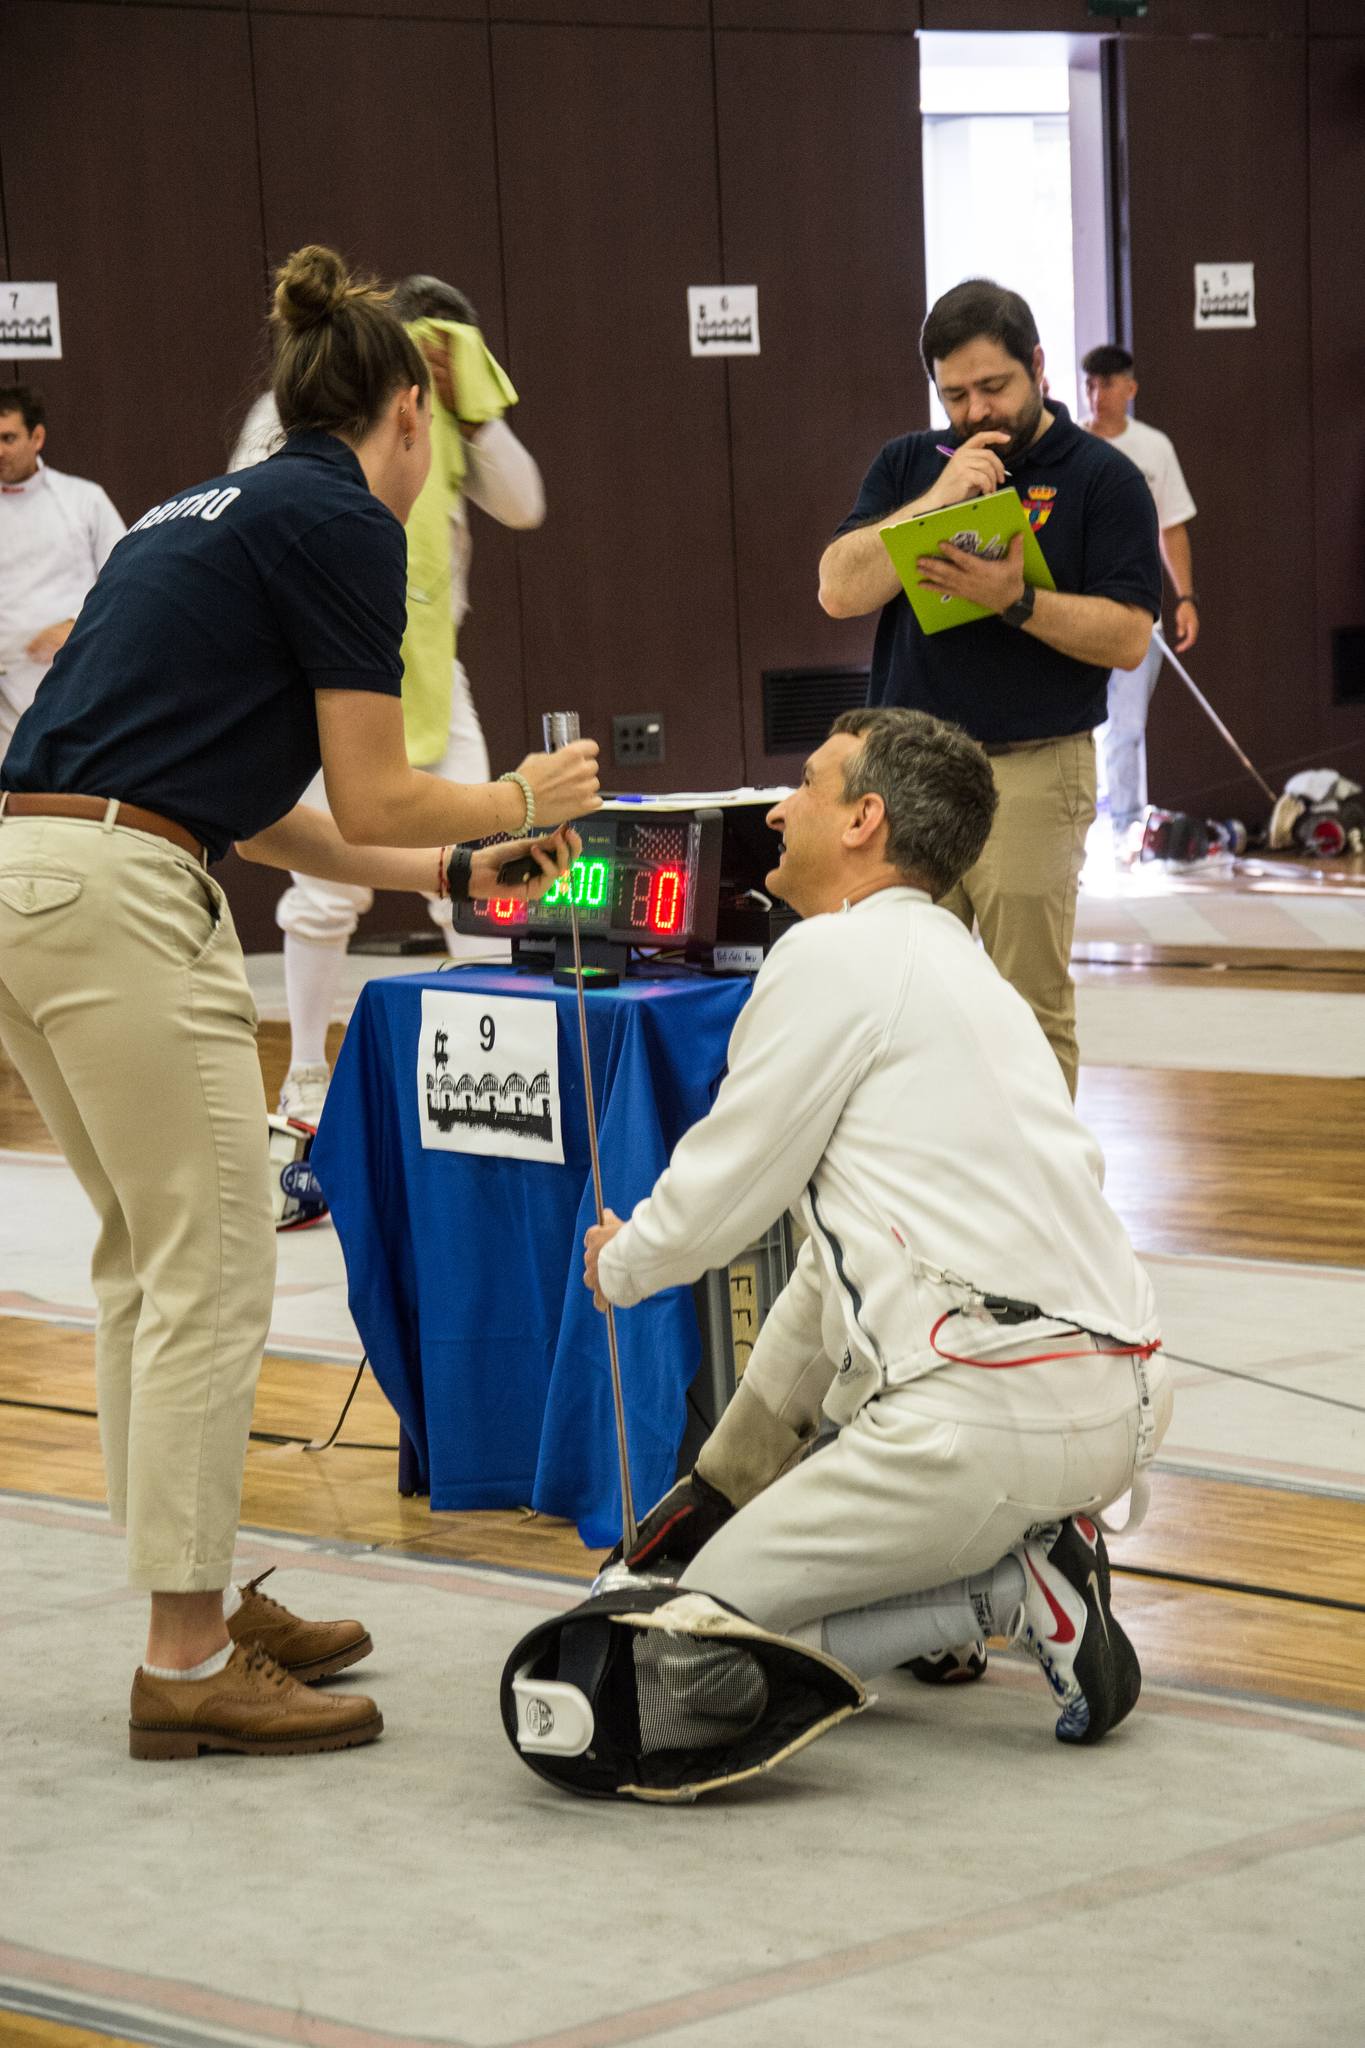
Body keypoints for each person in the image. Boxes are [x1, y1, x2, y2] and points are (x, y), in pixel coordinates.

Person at [0, 244, 599, 1761]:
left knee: (150, 1267)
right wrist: (517, 789)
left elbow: (286, 819)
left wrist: (464, 851)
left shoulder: (195, 511)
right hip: (122, 897)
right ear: (411, 411)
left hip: (34, 877)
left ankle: (188, 1599)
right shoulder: (344, 516)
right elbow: (378, 780)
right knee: (206, 1271)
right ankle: (187, 1661)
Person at [583, 707, 1171, 1755]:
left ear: (865, 818)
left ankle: (1000, 1592)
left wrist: (623, 1262)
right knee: (836, 1456)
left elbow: (720, 1196)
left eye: (805, 785)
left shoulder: (831, 960)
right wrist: (723, 1481)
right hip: (1123, 1397)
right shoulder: (970, 978)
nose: (779, 805)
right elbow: (829, 1271)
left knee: (682, 1656)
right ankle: (997, 1556)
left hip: (983, 1416)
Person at [818, 280, 1161, 1096]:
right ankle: (924, 1204)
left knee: (1024, 1012)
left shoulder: (1102, 479)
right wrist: (934, 499)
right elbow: (837, 589)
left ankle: (1039, 1212)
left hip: (1032, 771)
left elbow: (1126, 637)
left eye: (994, 386)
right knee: (899, 1005)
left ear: (1037, 367)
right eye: (956, 394)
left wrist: (1014, 600)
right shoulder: (907, 463)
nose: (977, 410)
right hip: (906, 779)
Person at [233, 276, 545, 1124]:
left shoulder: (447, 419)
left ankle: (502, 1074)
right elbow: (251, 507)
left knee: (478, 873)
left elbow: (523, 502)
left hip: (437, 680)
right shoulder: (291, 414)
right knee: (326, 887)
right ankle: (304, 1073)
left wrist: (472, 412)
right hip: (324, 678)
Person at [1082, 343, 1199, 845]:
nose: (1097, 394)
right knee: (1076, 730)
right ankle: (1076, 835)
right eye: (1089, 384)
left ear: (1129, 389)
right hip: (1077, 610)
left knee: (1126, 727)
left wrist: (1186, 597)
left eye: (1107, 384)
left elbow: (1171, 528)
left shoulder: (1155, 447)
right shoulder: (1071, 445)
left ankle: (1125, 832)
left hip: (1136, 612)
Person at [0, 385, 126, 758]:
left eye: (8, 438)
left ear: (37, 437)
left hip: (72, 687)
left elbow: (124, 579)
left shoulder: (83, 500)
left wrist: (74, 623)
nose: (0, 451)